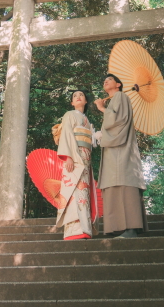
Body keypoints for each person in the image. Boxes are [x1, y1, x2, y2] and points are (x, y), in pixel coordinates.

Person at [94, 74, 147, 238]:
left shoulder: (121, 96)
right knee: (114, 185)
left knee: (124, 183)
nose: (106, 80)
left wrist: (102, 109)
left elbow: (119, 120)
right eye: (105, 79)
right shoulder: (114, 100)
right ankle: (118, 228)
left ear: (118, 84)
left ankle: (130, 228)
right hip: (113, 150)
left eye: (109, 79)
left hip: (121, 150)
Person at [55, 90, 99, 240]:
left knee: (84, 192)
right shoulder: (70, 115)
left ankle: (85, 228)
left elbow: (91, 140)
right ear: (72, 103)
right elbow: (66, 134)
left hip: (86, 158)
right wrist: (67, 157)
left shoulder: (87, 120)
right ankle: (74, 230)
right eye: (74, 96)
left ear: (86, 100)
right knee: (73, 190)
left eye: (81, 95)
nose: (78, 97)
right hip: (74, 157)